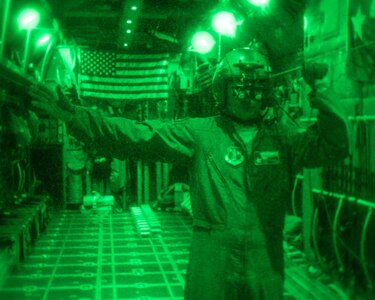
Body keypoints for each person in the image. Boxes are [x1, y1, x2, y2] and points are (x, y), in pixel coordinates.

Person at [30, 48, 350, 300]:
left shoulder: (285, 137)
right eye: (239, 88)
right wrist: (72, 116)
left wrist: (323, 92)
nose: (247, 96)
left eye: (255, 88)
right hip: (212, 254)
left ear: (265, 91)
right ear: (222, 90)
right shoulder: (200, 134)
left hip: (264, 256)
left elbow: (334, 147)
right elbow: (135, 136)